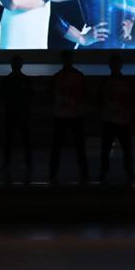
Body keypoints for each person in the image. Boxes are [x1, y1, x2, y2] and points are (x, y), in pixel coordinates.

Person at [49, 50, 88, 182]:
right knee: (75, 145)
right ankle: (82, 172)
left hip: (69, 114)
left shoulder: (61, 76)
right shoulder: (73, 76)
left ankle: (54, 172)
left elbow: (84, 94)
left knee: (61, 145)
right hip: (68, 114)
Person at [99, 54, 134, 182]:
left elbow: (133, 99)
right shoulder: (111, 82)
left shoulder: (123, 82)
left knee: (122, 149)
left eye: (117, 64)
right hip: (112, 120)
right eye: (114, 64)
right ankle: (107, 171)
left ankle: (125, 171)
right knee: (109, 148)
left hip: (120, 119)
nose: (115, 67)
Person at [0, 55, 34, 171]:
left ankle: (8, 162)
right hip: (17, 113)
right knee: (20, 139)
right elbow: (30, 96)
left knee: (13, 139)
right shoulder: (23, 80)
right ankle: (27, 162)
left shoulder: (8, 80)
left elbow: (2, 96)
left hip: (15, 113)